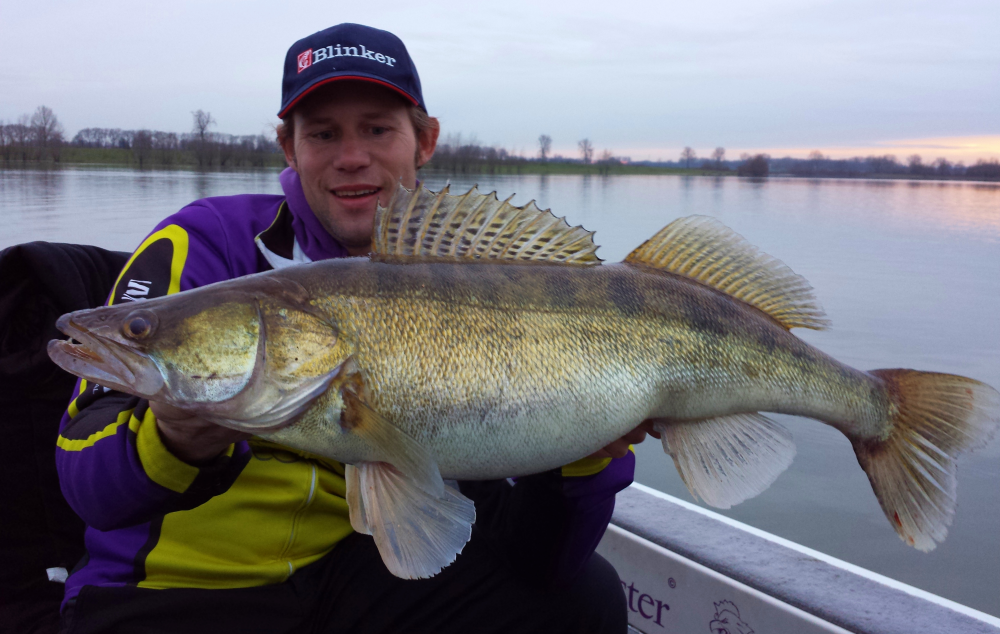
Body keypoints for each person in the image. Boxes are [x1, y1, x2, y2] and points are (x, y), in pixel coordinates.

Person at [56, 23, 653, 634]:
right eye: (323, 133)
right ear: (289, 148)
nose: (350, 157)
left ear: (424, 141)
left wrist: (585, 455)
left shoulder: (484, 277)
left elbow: (544, 562)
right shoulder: (206, 241)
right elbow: (86, 483)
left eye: (376, 128)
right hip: (173, 593)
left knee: (581, 601)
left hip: (354, 579)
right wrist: (175, 438)